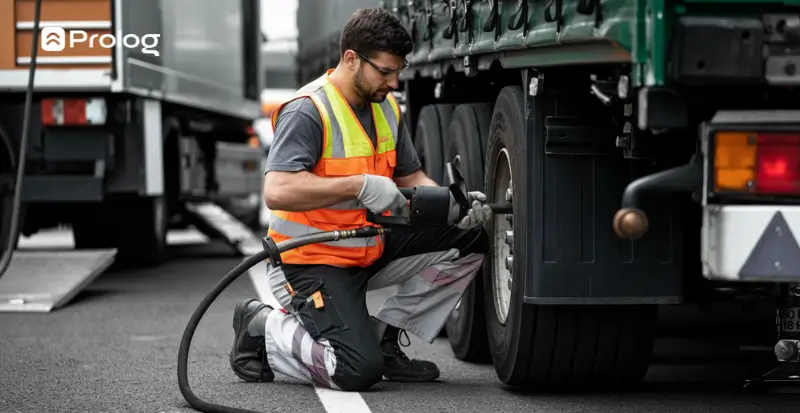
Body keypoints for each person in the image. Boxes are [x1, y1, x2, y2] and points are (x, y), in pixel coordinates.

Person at [229, 7, 492, 392]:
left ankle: (383, 338)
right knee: (353, 371)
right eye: (385, 72)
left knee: (469, 241)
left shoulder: (386, 108)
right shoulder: (308, 110)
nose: (394, 81)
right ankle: (262, 326)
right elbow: (277, 191)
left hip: (367, 247)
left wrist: (453, 205)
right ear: (351, 59)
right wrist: (357, 185)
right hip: (309, 260)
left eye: (398, 71)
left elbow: (412, 177)